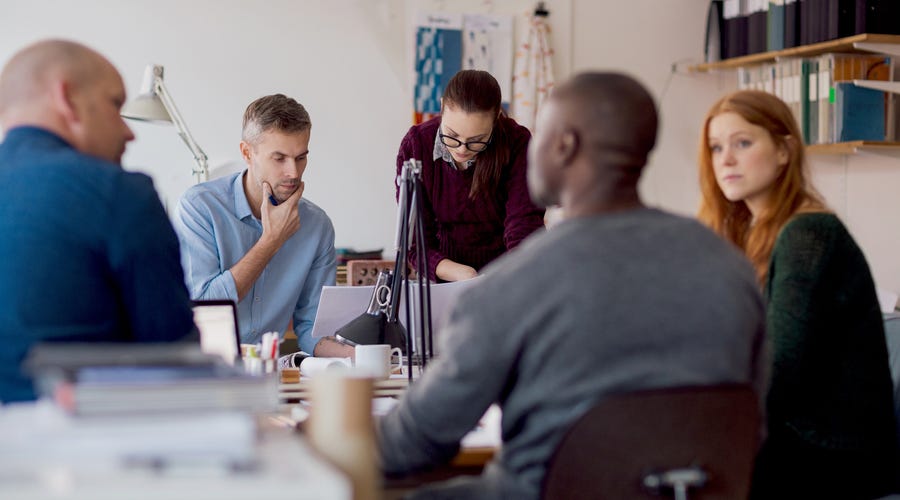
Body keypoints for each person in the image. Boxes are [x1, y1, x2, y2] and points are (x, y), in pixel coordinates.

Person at [377, 72, 767, 499]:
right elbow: (756, 420)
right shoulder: (730, 268)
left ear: (562, 145)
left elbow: (410, 443)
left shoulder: (510, 288)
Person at [698, 89, 899, 499]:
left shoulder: (808, 234)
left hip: (831, 452)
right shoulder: (751, 233)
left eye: (743, 143)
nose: (726, 160)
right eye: (717, 147)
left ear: (785, 150)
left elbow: (780, 370)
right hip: (793, 436)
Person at [0, 39, 196, 403]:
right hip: (83, 447)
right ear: (66, 99)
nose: (129, 132)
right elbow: (177, 365)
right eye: (114, 103)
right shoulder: (119, 193)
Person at [174, 94, 350, 358]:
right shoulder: (200, 207)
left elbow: (313, 331)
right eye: (279, 158)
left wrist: (362, 357)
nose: (293, 172)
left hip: (269, 374)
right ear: (247, 153)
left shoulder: (317, 226)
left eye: (301, 158)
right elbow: (205, 307)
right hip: (205, 370)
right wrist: (271, 241)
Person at [395, 69, 545, 282]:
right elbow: (414, 241)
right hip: (445, 278)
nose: (462, 149)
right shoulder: (416, 146)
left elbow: (524, 225)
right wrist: (463, 274)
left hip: (507, 275)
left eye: (477, 140)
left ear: (496, 119)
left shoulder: (517, 143)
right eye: (452, 136)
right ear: (441, 107)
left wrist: (510, 278)